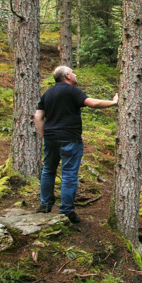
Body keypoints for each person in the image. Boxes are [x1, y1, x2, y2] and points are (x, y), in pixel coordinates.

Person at [34, 66, 118, 223]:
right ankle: (66, 211)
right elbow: (92, 103)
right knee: (69, 174)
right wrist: (113, 103)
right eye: (73, 72)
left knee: (48, 170)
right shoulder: (71, 90)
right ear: (67, 76)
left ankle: (45, 205)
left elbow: (38, 116)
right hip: (70, 138)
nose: (75, 74)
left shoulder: (48, 93)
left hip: (51, 138)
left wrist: (44, 134)